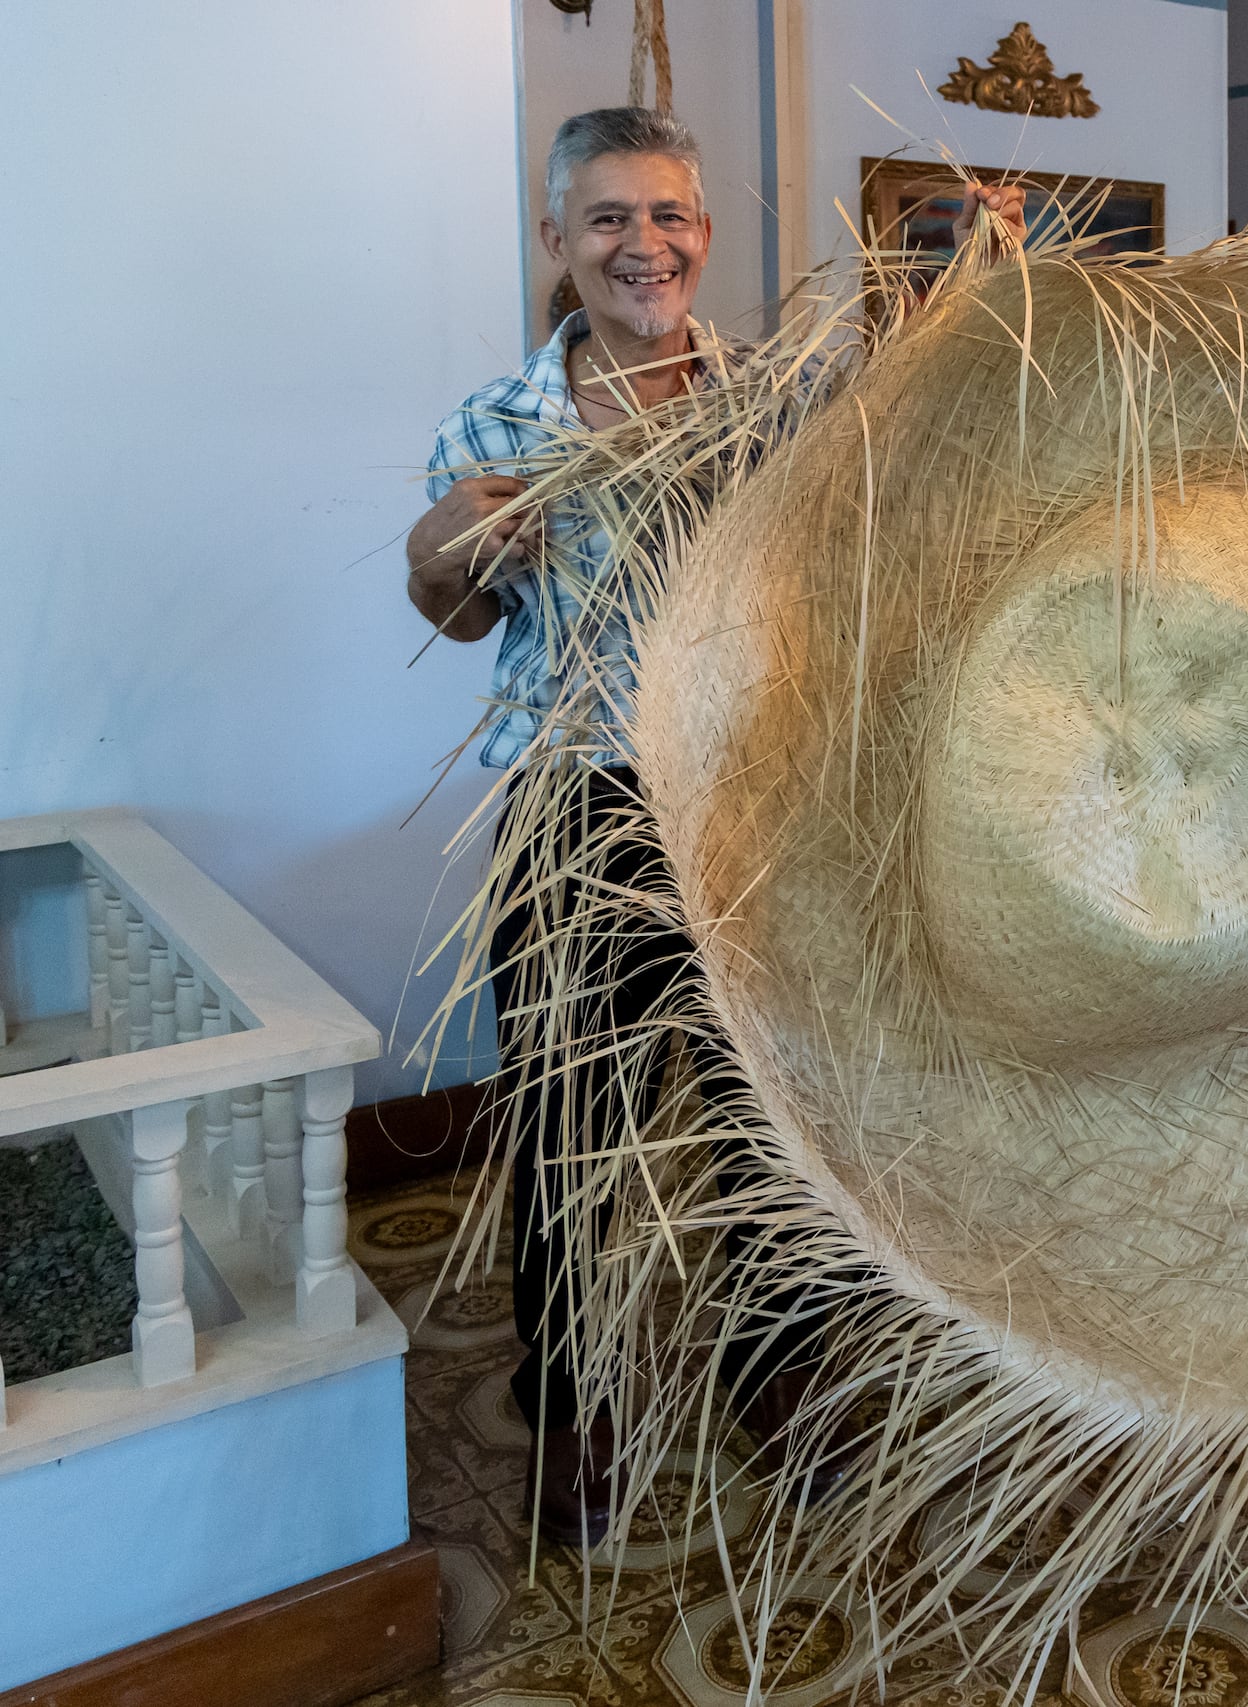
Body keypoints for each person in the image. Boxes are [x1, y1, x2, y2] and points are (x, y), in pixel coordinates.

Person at [407, 105, 739, 1547]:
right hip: (576, 801)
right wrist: (451, 551)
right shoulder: (496, 424)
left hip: (743, 809)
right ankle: (573, 1407)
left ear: (702, 237)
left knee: (765, 1122)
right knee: (567, 1134)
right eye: (607, 219)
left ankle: (777, 1371)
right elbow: (457, 611)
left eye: (665, 216)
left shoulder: (768, 402)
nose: (641, 245)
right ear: (559, 243)